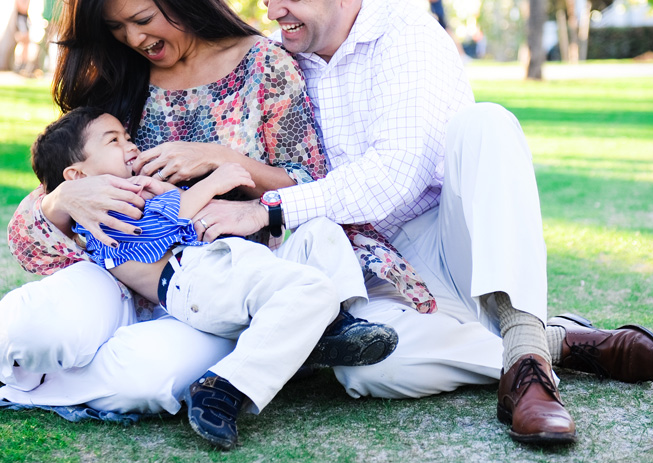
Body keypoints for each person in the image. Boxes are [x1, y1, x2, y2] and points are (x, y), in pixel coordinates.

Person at [0, 0, 414, 449]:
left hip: (226, 283)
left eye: (141, 19)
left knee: (147, 384)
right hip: (122, 273)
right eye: (117, 28)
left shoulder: (265, 66)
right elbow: (51, 205)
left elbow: (312, 185)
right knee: (39, 333)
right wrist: (64, 197)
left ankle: (16, 359)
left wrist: (221, 159)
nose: (134, 39)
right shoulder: (120, 79)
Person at [192, 0, 653, 446]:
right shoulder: (276, 61)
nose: (272, 9)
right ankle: (545, 344)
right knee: (365, 369)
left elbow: (393, 175)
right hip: (367, 270)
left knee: (486, 124)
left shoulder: (408, 36)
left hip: (452, 244)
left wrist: (266, 209)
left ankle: (530, 368)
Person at [28, 105, 397, 448]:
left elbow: (173, 215)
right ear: (76, 178)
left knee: (319, 229)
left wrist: (173, 191)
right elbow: (158, 234)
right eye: (113, 140)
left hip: (225, 266)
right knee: (311, 290)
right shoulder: (97, 211)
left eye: (127, 137)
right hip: (189, 281)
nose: (130, 145)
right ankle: (223, 387)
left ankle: (335, 326)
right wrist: (213, 182)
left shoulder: (137, 189)